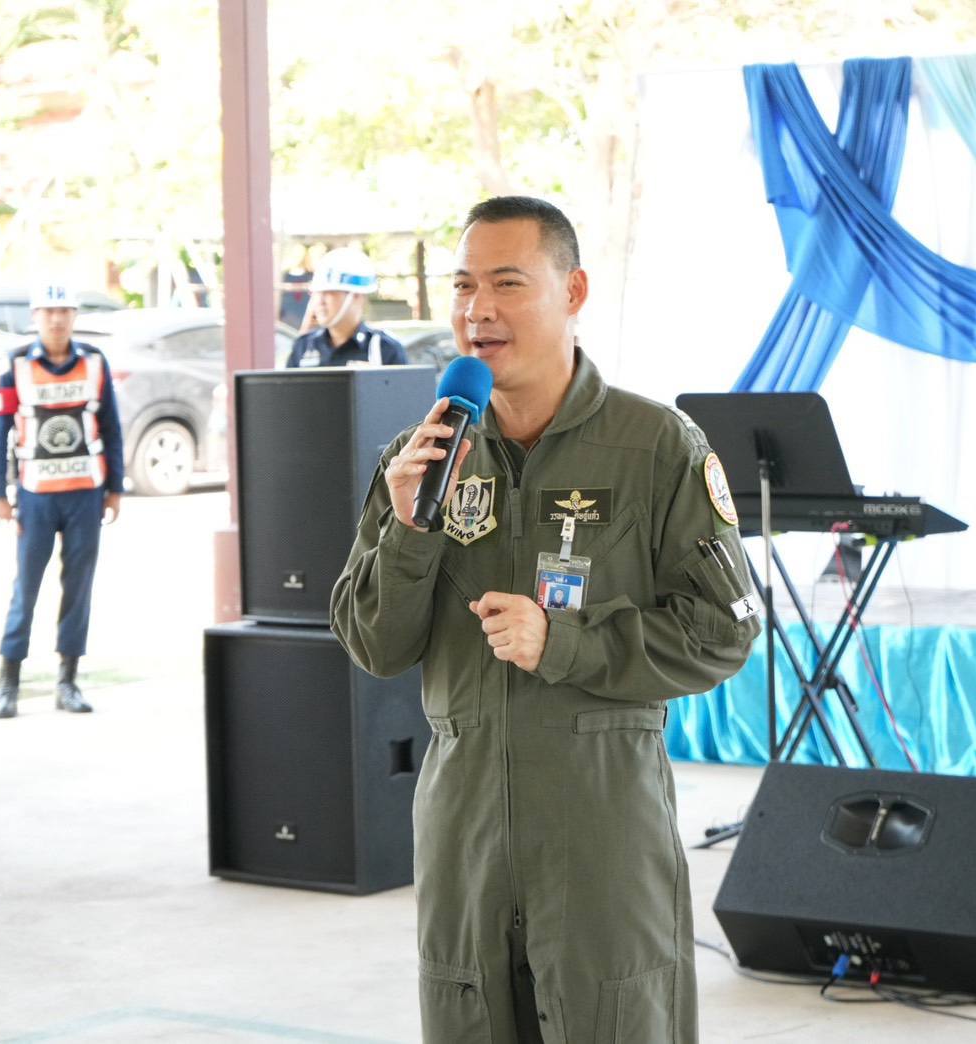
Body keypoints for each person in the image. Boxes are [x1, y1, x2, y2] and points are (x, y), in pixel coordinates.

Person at [331, 196, 761, 1043]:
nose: (477, 310)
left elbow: (724, 631)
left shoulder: (655, 447)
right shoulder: (420, 457)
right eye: (463, 286)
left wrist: (563, 642)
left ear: (574, 292)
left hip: (600, 822)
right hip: (463, 828)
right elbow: (374, 644)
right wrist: (410, 529)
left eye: (506, 283)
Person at [0, 282, 124, 719]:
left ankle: (68, 681)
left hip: (85, 494)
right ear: (35, 317)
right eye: (48, 312)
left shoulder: (94, 362)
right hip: (36, 497)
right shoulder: (15, 365)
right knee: (26, 587)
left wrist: (115, 488)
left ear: (75, 316)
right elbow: (0, 431)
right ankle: (8, 682)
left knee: (78, 587)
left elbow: (112, 426)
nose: (57, 319)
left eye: (64, 311)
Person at [284, 246, 408, 368]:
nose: (320, 301)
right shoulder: (303, 347)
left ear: (357, 295)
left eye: (329, 292)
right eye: (316, 293)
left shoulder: (384, 349)